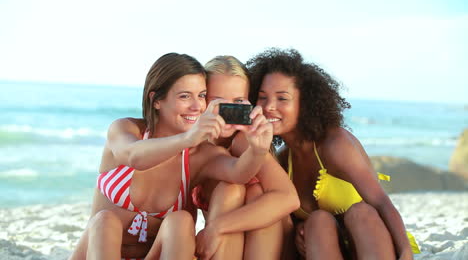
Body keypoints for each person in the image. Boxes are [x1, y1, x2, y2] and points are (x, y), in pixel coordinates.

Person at [68, 52, 274, 260]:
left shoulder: (200, 155)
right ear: (156, 100)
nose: (196, 106)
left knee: (181, 221)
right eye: (185, 96)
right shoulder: (126, 129)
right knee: (104, 221)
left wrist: (258, 149)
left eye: (202, 95)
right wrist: (188, 139)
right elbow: (133, 156)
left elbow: (238, 173)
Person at [246, 48, 419, 260]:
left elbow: (381, 202)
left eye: (282, 98)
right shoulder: (282, 159)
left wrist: (405, 251)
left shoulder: (335, 144)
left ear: (306, 102)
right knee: (317, 221)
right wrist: (301, 229)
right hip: (325, 248)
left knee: (360, 213)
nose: (269, 106)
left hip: (369, 240)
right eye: (262, 98)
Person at [192, 55, 299, 260]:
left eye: (238, 101)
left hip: (271, 242)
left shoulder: (243, 141)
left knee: (234, 188)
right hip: (231, 247)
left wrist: (216, 228)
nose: (229, 109)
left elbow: (288, 198)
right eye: (217, 101)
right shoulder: (196, 143)